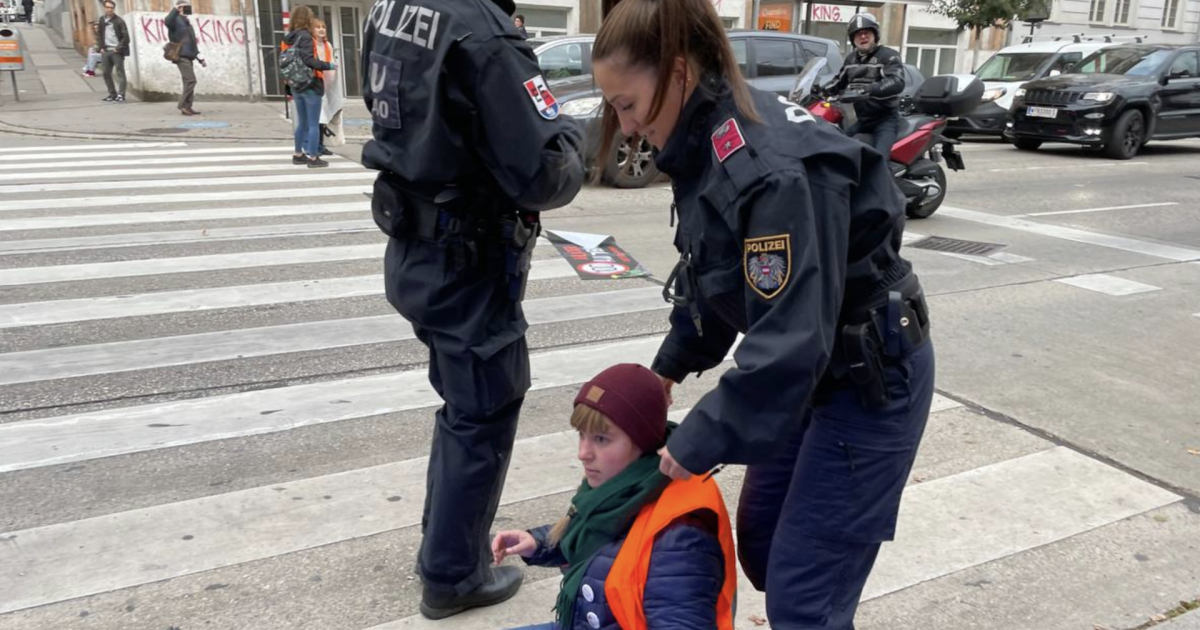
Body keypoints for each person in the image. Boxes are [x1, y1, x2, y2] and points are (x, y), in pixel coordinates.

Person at [591, 0, 935, 627]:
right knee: (764, 544)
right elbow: (718, 273)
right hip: (810, 372)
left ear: (678, 73)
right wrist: (670, 368)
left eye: (628, 104)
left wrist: (700, 438)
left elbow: (791, 337)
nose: (628, 126)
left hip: (868, 377)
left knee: (805, 596)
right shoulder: (707, 140)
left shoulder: (768, 167)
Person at [360, 0, 585, 620]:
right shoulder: (485, 34)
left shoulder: (392, 8)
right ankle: (453, 574)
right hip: (467, 259)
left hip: (415, 245)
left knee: (462, 407)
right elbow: (543, 172)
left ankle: (442, 543)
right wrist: (573, 135)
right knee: (483, 409)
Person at [494, 364, 736, 630]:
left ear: (642, 441)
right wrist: (537, 543)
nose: (583, 453)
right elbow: (591, 538)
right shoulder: (622, 490)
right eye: (581, 434)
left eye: (601, 439)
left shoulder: (679, 538)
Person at [822, 13, 906, 158]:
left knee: (880, 160)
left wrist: (868, 89)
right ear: (853, 39)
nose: (863, 37)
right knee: (837, 147)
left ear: (875, 35)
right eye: (858, 34)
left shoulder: (888, 55)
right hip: (863, 120)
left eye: (866, 32)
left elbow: (896, 81)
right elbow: (839, 81)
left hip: (885, 120)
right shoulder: (851, 59)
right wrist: (820, 90)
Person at [283, 6, 335, 167]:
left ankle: (298, 154)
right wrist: (328, 65)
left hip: (295, 84)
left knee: (302, 123)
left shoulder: (288, 38)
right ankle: (313, 157)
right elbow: (308, 60)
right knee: (313, 123)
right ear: (308, 19)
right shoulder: (305, 37)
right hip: (310, 83)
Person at [165, 0, 206, 116]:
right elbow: (167, 21)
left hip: (189, 56)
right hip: (181, 56)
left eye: (188, 7)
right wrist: (175, 9)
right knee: (191, 80)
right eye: (185, 7)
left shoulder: (187, 23)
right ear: (180, 8)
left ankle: (188, 106)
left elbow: (193, 43)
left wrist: (200, 58)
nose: (187, 9)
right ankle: (183, 105)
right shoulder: (174, 21)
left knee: (188, 82)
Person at [312, 18, 342, 157]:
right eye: (318, 27)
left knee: (324, 116)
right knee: (319, 116)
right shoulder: (311, 44)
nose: (321, 30)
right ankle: (316, 145)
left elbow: (330, 61)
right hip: (315, 82)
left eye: (323, 27)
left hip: (327, 83)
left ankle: (321, 144)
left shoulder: (327, 45)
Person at [96, 0, 129, 103]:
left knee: (120, 73)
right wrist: (101, 47)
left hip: (116, 51)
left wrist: (118, 48)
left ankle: (121, 95)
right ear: (104, 8)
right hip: (106, 51)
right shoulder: (102, 19)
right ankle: (112, 94)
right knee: (106, 73)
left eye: (111, 7)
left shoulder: (119, 21)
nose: (109, 9)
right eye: (108, 7)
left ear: (114, 9)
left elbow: (126, 37)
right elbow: (100, 34)